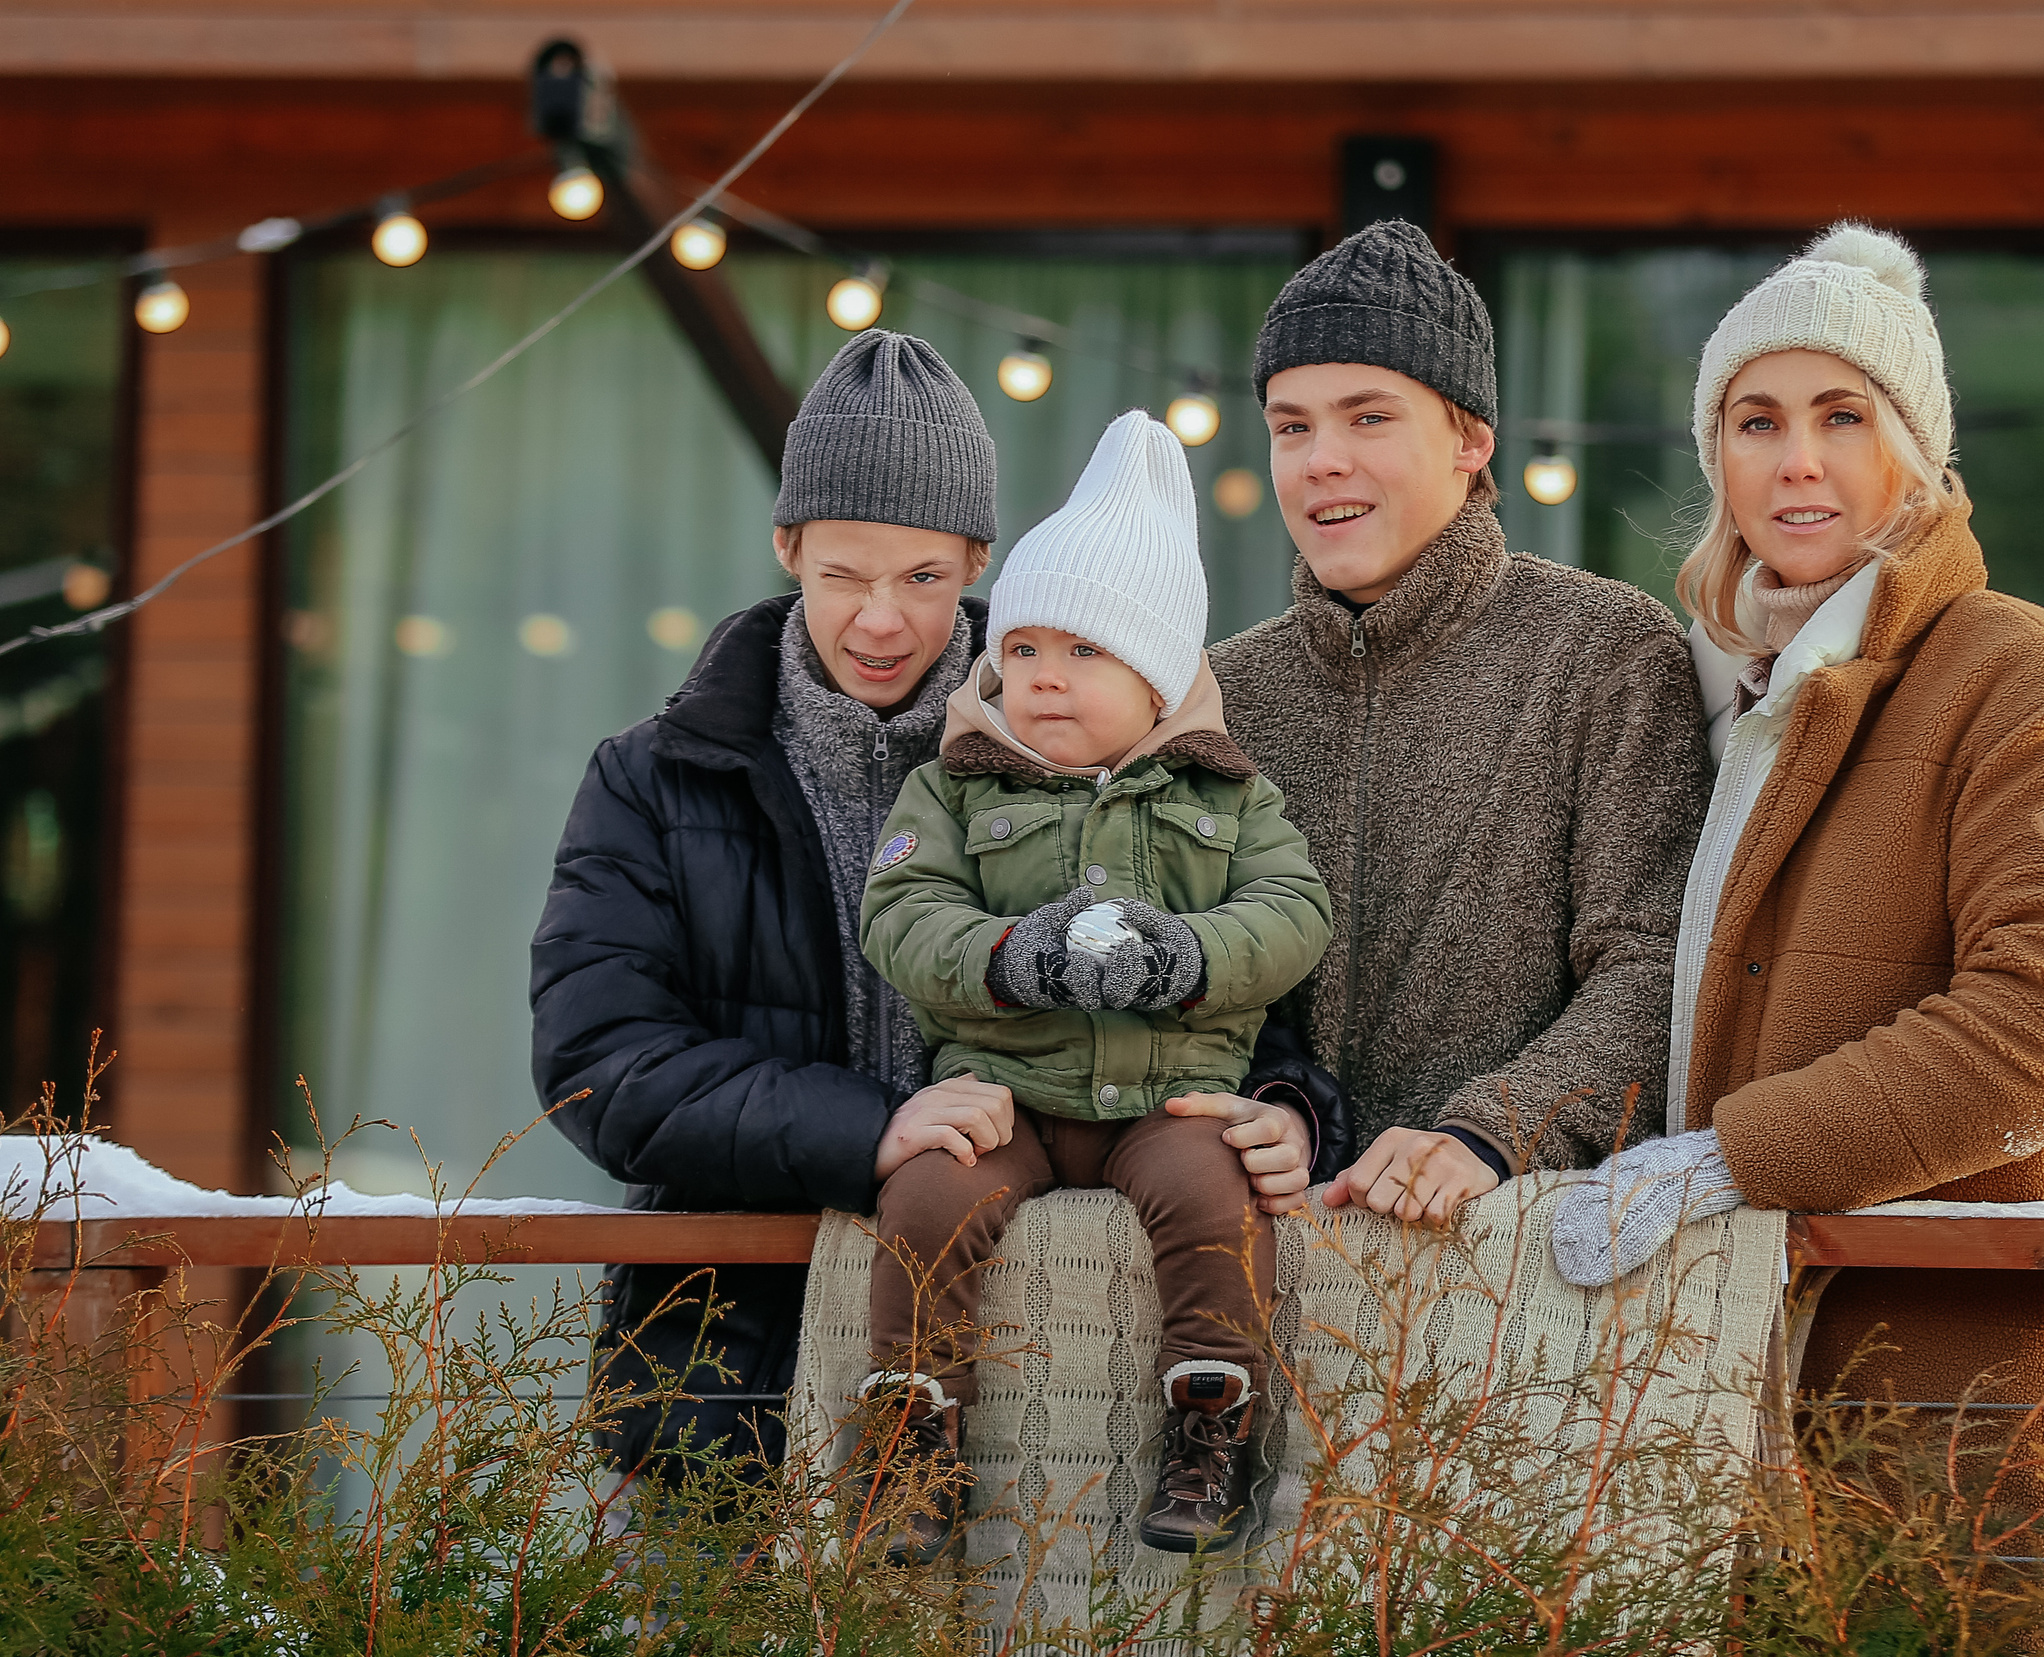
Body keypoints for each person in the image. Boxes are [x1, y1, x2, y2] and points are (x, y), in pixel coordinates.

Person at [530, 336, 1330, 1488]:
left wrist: (1288, 1108)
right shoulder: (656, 777)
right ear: (786, 546)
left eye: (921, 578)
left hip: (1065, 1382)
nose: (880, 622)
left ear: (976, 557)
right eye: (843, 575)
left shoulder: (1125, 733)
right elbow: (596, 1065)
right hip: (726, 1369)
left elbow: (1261, 973)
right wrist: (867, 1129)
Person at [1552, 224, 2044, 1573]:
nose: (1797, 458)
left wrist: (1727, 1155)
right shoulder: (1727, 703)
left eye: (1843, 415)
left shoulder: (2028, 682)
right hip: (1771, 1422)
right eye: (1756, 419)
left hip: (2000, 1442)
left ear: (1916, 449)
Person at [858, 411, 1330, 1563]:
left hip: (1169, 1097)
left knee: (1219, 1198)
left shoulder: (1229, 798)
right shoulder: (955, 788)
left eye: (1083, 654)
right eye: (1022, 652)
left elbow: (1294, 913)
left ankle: (1209, 1420)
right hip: (1001, 1094)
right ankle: (910, 1437)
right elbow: (901, 915)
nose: (1044, 681)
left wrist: (1192, 956)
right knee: (926, 1198)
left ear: (1159, 675)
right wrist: (1011, 956)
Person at [1212, 220, 1712, 1222]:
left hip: (1522, 1257)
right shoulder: (1220, 692)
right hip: (1250, 1266)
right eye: (1291, 425)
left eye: (1367, 418)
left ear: (1470, 438)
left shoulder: (1605, 649)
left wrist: (1492, 1129)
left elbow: (1656, 964)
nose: (1320, 461)